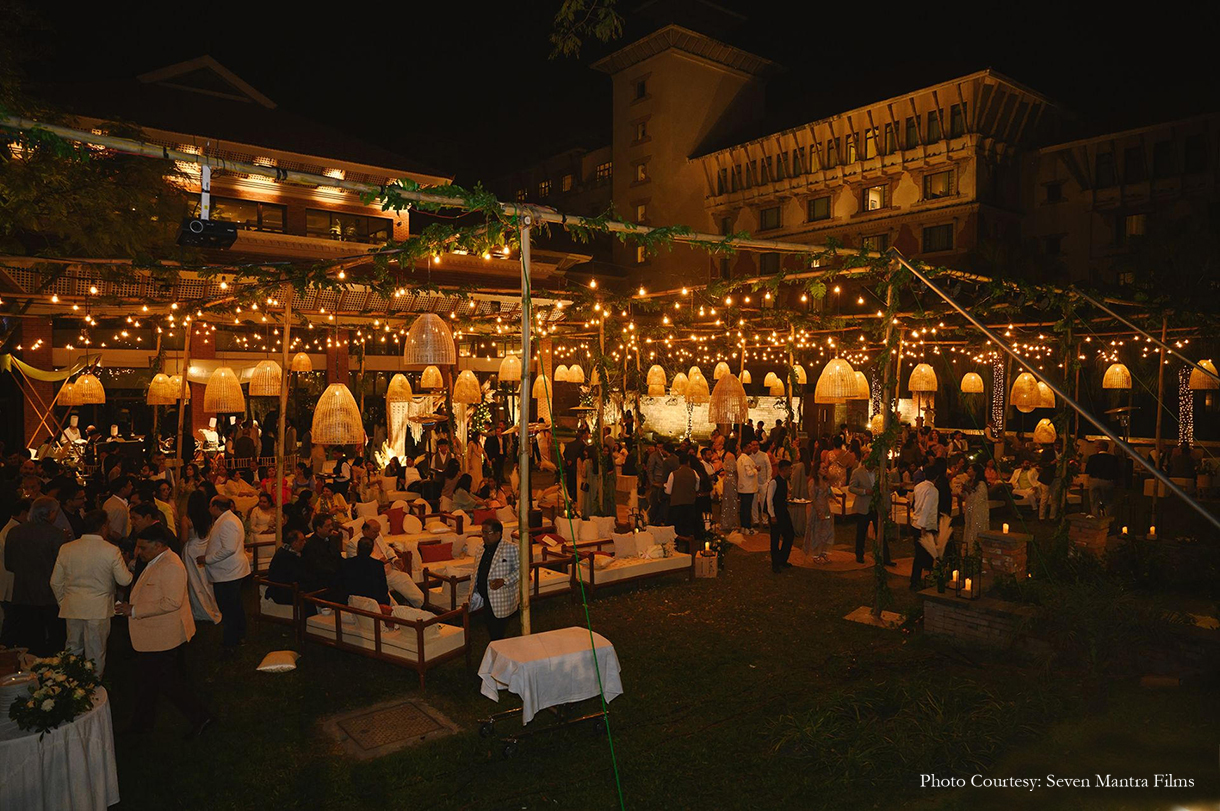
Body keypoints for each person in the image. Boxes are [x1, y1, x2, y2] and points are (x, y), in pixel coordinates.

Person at [115, 525, 213, 739]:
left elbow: (171, 602)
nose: (138, 552)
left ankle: (200, 717)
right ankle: (142, 725)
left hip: (163, 636)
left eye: (143, 547)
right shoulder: (156, 560)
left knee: (166, 683)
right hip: (155, 635)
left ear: (159, 545)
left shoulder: (171, 565)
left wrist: (134, 610)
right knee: (149, 682)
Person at [50, 510, 132, 677]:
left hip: (72, 606)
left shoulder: (67, 548)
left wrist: (63, 601)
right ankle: (94, 685)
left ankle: (69, 683)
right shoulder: (111, 550)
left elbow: (55, 582)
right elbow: (124, 580)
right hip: (99, 608)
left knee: (72, 647)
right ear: (103, 527)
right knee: (96, 651)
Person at [4, 496, 68, 654]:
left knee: (29, 642)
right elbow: (63, 568)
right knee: (54, 641)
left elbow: (9, 564)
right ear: (51, 513)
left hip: (22, 593)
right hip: (49, 595)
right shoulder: (56, 535)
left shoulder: (14, 532)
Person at [197, 496, 251, 653]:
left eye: (210, 505)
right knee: (234, 606)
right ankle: (239, 635)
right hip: (229, 571)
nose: (208, 509)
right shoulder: (227, 519)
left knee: (228, 608)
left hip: (229, 572)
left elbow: (229, 548)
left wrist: (207, 559)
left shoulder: (228, 521)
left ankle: (231, 641)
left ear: (215, 506)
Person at [469, 518, 519, 641]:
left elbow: (523, 570)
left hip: (500, 597)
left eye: (487, 533)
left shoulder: (511, 548)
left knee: (497, 629)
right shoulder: (480, 548)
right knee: (490, 626)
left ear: (498, 533)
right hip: (485, 596)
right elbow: (477, 570)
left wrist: (504, 581)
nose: (484, 536)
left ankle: (499, 647)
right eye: (483, 532)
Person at [182, 491, 222, 624]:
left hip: (192, 550)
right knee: (206, 580)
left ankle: (198, 608)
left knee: (194, 581)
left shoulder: (187, 519)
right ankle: (211, 605)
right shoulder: (208, 516)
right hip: (205, 547)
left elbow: (184, 538)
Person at [849, 456, 891, 566]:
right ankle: (859, 554)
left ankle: (885, 557)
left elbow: (886, 489)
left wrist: (887, 505)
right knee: (861, 532)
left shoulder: (880, 472)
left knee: (881, 532)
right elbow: (851, 488)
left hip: (877, 506)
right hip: (863, 506)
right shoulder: (857, 472)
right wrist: (864, 491)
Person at [0, 499, 29, 646]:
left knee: (12, 618)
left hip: (11, 580)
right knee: (11, 618)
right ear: (24, 513)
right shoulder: (12, 530)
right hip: (10, 581)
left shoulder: (12, 529)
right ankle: (7, 646)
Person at [763, 459, 794, 572]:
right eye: (790, 470)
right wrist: (772, 515)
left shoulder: (784, 481)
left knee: (789, 535)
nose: (791, 472)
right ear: (784, 470)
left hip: (783, 512)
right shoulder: (774, 482)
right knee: (775, 539)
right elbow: (769, 499)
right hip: (776, 513)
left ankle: (782, 559)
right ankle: (775, 563)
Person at [342, 536, 390, 605]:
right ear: (371, 551)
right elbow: (383, 588)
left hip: (353, 600)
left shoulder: (347, 563)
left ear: (357, 549)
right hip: (374, 601)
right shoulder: (378, 565)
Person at [265, 530, 309, 605]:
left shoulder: (292, 552)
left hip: (291, 586)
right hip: (283, 590)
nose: (305, 542)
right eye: (302, 541)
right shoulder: (284, 556)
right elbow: (295, 575)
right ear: (294, 543)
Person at [664, 453, 700, 539]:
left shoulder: (673, 474)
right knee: (687, 528)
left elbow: (668, 491)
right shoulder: (694, 473)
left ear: (679, 462)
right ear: (688, 462)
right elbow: (696, 488)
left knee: (676, 529)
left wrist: (665, 487)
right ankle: (688, 544)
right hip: (690, 505)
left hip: (676, 505)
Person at [806, 461, 834, 564]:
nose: (825, 470)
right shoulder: (813, 482)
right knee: (816, 531)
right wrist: (818, 512)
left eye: (826, 468)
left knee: (827, 531)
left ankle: (823, 552)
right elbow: (812, 498)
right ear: (817, 470)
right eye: (823, 468)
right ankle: (815, 554)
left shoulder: (825, 481)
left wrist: (836, 499)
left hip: (826, 508)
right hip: (817, 509)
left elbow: (829, 491)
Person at [1085, 441, 1121, 516]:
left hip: (1094, 480)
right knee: (1108, 502)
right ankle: (1107, 518)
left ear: (1099, 448)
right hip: (1107, 481)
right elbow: (1116, 472)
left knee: (1094, 501)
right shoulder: (1113, 459)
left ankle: (1096, 517)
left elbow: (1087, 470)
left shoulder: (1093, 457)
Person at [961, 463, 990, 550]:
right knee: (969, 526)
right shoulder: (968, 482)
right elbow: (965, 496)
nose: (968, 470)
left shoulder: (981, 484)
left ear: (975, 472)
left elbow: (979, 498)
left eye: (970, 469)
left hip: (978, 510)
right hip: (969, 508)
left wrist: (969, 490)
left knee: (976, 527)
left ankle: (975, 548)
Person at [736, 441, 760, 531]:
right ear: (744, 448)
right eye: (749, 447)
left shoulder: (739, 459)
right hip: (748, 487)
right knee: (747, 508)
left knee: (743, 508)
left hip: (742, 487)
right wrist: (756, 470)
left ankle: (744, 526)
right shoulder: (746, 459)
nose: (751, 449)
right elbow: (749, 473)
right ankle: (747, 527)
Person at [103, 475, 133, 543]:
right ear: (123, 489)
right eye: (130, 485)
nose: (132, 487)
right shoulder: (118, 508)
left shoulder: (110, 501)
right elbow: (115, 532)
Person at [719, 438, 740, 532]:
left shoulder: (726, 454)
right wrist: (738, 479)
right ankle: (730, 523)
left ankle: (726, 522)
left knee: (727, 500)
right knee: (732, 501)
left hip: (727, 478)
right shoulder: (731, 456)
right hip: (731, 479)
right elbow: (734, 470)